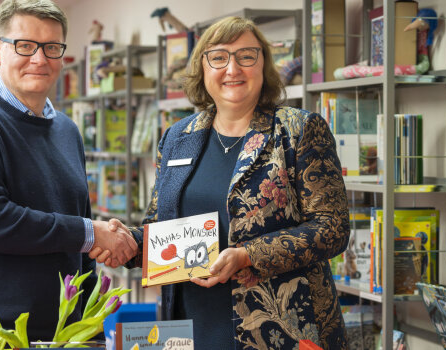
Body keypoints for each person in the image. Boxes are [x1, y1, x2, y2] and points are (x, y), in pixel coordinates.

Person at [111, 16, 350, 349]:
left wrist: (247, 255)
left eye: (246, 56)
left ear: (263, 65)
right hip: (189, 323)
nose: (232, 69)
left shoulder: (299, 130)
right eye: (219, 57)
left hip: (282, 329)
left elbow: (332, 228)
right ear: (203, 68)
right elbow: (160, 229)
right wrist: (121, 241)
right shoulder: (178, 137)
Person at [0, 1, 136, 348]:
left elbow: (76, 235)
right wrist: (92, 234)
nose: (40, 59)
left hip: (67, 334)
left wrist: (91, 327)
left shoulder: (67, 130)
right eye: (25, 45)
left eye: (52, 47)